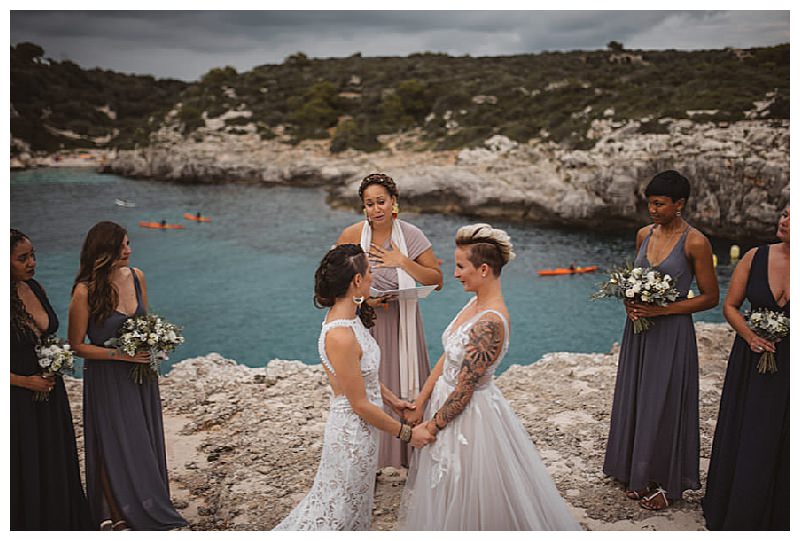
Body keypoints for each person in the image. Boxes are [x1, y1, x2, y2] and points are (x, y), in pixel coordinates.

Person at [399, 224, 581, 530]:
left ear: (483, 269)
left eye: (460, 266)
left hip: (470, 418)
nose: (455, 274)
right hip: (445, 404)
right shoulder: (474, 303)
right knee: (447, 488)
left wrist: (431, 427)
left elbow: (465, 388)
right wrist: (421, 400)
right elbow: (448, 356)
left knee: (470, 489)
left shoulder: (490, 323)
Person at [274, 244, 435, 530]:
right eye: (370, 272)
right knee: (339, 513)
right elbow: (359, 404)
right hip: (351, 438)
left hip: (364, 433)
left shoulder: (351, 317)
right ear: (357, 281)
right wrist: (408, 434)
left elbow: (363, 377)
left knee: (352, 508)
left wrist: (394, 401)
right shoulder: (340, 336)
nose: (373, 277)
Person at [603, 170, 719, 510]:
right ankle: (636, 473)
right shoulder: (643, 235)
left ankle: (666, 484)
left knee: (665, 403)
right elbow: (636, 278)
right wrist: (629, 300)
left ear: (679, 204)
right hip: (638, 333)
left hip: (671, 334)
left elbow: (710, 297)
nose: (653, 210)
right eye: (650, 203)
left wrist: (662, 310)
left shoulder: (696, 242)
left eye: (660, 204)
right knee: (637, 398)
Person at [67, 221, 187, 531]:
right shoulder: (84, 291)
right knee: (112, 442)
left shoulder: (137, 277)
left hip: (141, 375)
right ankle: (117, 516)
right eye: (122, 247)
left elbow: (146, 322)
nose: (129, 250)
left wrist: (156, 342)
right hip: (107, 379)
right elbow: (77, 345)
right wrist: (120, 355)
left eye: (128, 244)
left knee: (142, 440)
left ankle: (150, 503)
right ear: (103, 252)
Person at [336, 173, 442, 468]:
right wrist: (364, 299)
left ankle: (411, 456)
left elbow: (437, 280)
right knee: (371, 387)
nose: (375, 209)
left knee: (407, 388)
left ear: (394, 202)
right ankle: (373, 461)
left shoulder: (412, 235)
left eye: (381, 202)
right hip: (367, 326)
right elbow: (334, 281)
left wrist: (402, 262)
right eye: (369, 204)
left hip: (405, 326)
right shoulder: (351, 235)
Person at [702, 207, 789, 530]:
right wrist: (751, 335)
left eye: (794, 216)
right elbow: (730, 305)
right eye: (783, 213)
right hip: (750, 360)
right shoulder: (754, 256)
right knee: (748, 428)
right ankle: (737, 506)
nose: (784, 220)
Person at [10, 229, 93, 530]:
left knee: (54, 461)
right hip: (15, 401)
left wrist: (55, 359)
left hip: (49, 395)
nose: (31, 262)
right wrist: (23, 381)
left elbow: (48, 336)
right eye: (22, 258)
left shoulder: (35, 287)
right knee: (23, 466)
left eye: (33, 255)